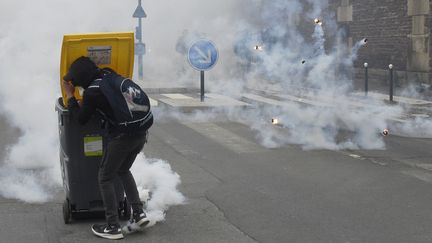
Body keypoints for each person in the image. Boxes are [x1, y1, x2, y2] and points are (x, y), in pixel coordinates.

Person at [63, 56, 153, 240]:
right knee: (123, 169)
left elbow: (81, 119)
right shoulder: (109, 76)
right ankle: (139, 214)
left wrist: (71, 96)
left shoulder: (92, 92)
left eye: (75, 80)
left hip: (122, 137)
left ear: (81, 78)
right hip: (140, 133)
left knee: (105, 177)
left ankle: (112, 226)